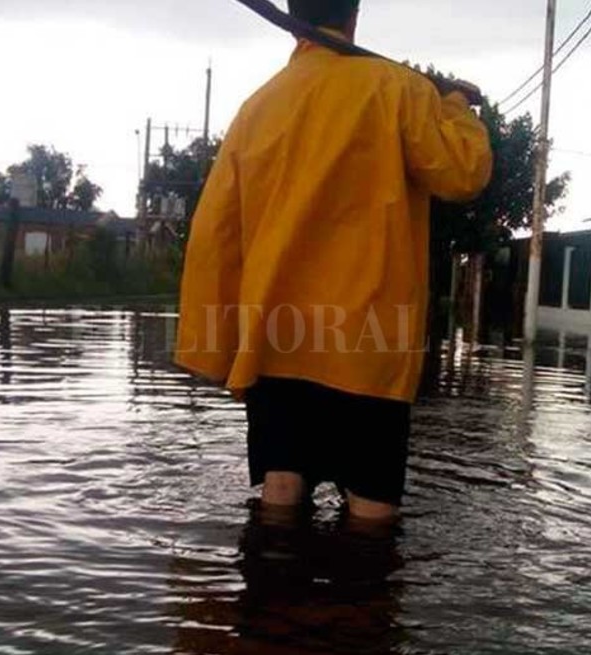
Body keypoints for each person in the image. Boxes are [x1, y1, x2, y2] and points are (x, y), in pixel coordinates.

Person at [174, 0, 493, 522]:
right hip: (368, 339)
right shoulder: (399, 89)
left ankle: (267, 576)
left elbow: (217, 231)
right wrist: (456, 107)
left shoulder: (259, 107)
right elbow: (463, 173)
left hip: (277, 336)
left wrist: (213, 342)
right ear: (354, 14)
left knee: (281, 492)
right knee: (372, 512)